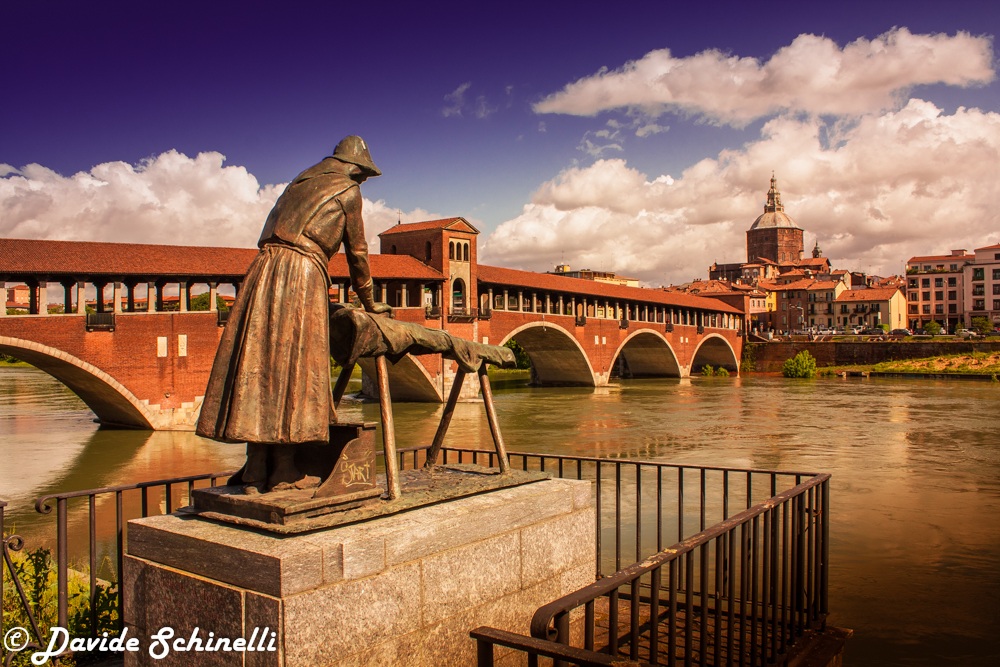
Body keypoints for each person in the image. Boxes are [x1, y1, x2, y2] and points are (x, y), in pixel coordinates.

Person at [196, 135, 390, 490]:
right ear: (356, 168)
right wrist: (371, 302)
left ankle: (255, 466)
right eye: (362, 176)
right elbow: (358, 253)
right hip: (301, 273)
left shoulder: (298, 183)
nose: (361, 182)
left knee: (258, 365)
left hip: (262, 272)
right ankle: (285, 468)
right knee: (296, 369)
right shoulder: (347, 190)